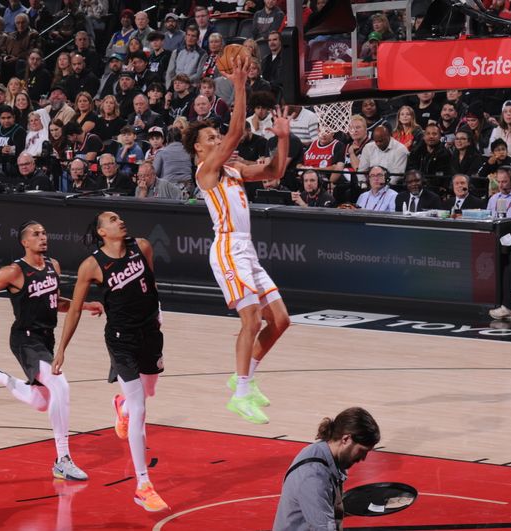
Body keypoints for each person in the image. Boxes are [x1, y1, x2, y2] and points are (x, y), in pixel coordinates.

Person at [182, 57, 290, 424]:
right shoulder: (206, 170)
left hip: (246, 248)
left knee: (281, 320)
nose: (217, 140)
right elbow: (233, 135)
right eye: (209, 138)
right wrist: (239, 85)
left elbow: (276, 171)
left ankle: (244, 376)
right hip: (227, 248)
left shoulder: (233, 168)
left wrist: (284, 139)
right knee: (252, 320)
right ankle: (241, 392)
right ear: (199, 149)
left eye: (216, 136)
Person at [0, 221, 103, 483]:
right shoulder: (13, 272)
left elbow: (55, 302)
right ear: (24, 242)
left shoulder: (53, 266)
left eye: (44, 233)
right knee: (61, 385)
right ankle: (62, 460)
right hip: (25, 340)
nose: (43, 237)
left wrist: (84, 305)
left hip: (45, 339)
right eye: (36, 235)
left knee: (41, 402)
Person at [52, 211, 170, 512]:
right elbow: (75, 310)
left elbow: (151, 286)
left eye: (120, 218)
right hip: (121, 339)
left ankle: (121, 406)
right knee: (142, 407)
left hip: (150, 332)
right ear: (102, 232)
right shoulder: (91, 266)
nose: (120, 221)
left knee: (150, 391)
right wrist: (61, 349)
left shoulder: (142, 246)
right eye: (113, 219)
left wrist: (159, 315)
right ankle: (143, 485)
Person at [272, 407, 381, 531]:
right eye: (362, 451)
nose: (363, 458)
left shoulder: (324, 453)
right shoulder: (314, 477)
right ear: (346, 439)